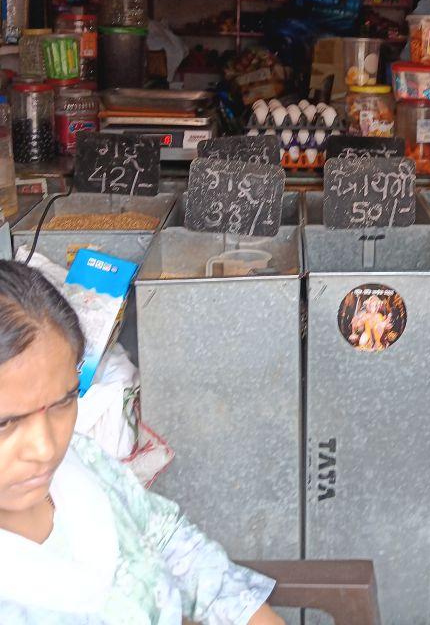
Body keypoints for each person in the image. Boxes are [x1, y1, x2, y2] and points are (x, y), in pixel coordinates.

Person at [0, 260, 284, 625]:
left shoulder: (84, 463)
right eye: (5, 422)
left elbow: (167, 540)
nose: (45, 448)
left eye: (63, 401)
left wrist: (253, 616)